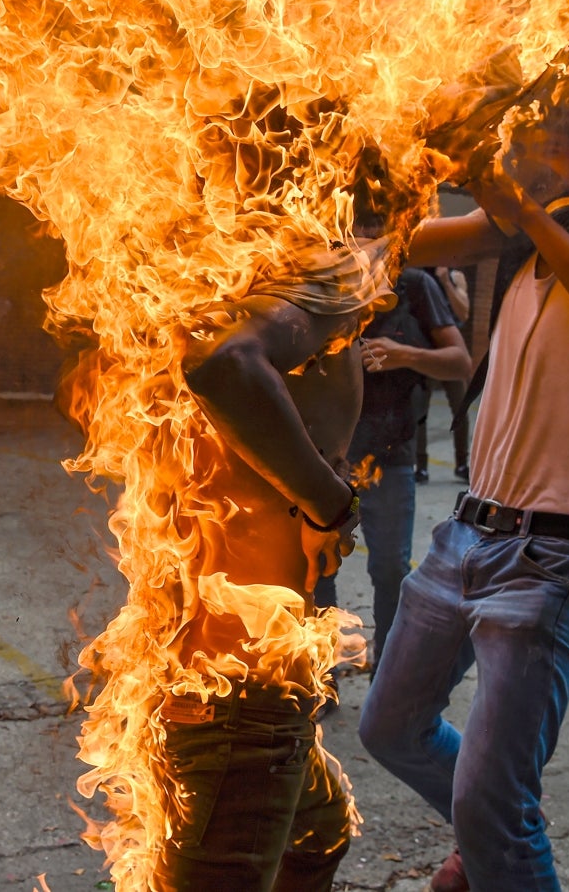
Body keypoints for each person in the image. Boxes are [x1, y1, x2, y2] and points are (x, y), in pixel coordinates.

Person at [357, 52, 569, 892]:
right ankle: (490, 837)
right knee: (389, 729)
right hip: (468, 531)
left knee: (497, 797)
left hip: (559, 554)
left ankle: (495, 836)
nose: (521, 153)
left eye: (543, 138)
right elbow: (384, 250)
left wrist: (534, 221)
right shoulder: (515, 224)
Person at [151, 245, 395, 890]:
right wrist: (329, 503)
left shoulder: (239, 285)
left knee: (322, 836)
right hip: (236, 703)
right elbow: (223, 366)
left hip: (259, 684)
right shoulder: (310, 288)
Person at [314, 268, 469, 681]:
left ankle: (388, 673)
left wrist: (404, 355)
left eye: (374, 227)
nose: (364, 239)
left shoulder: (414, 285)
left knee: (390, 569)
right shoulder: (321, 278)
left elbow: (459, 362)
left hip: (389, 452)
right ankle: (321, 676)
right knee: (318, 569)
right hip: (324, 456)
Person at [413, 266, 473, 483]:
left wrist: (446, 282)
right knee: (420, 411)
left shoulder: (456, 276)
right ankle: (420, 466)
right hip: (425, 350)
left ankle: (462, 463)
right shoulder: (419, 277)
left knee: (460, 410)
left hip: (450, 352)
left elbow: (464, 313)